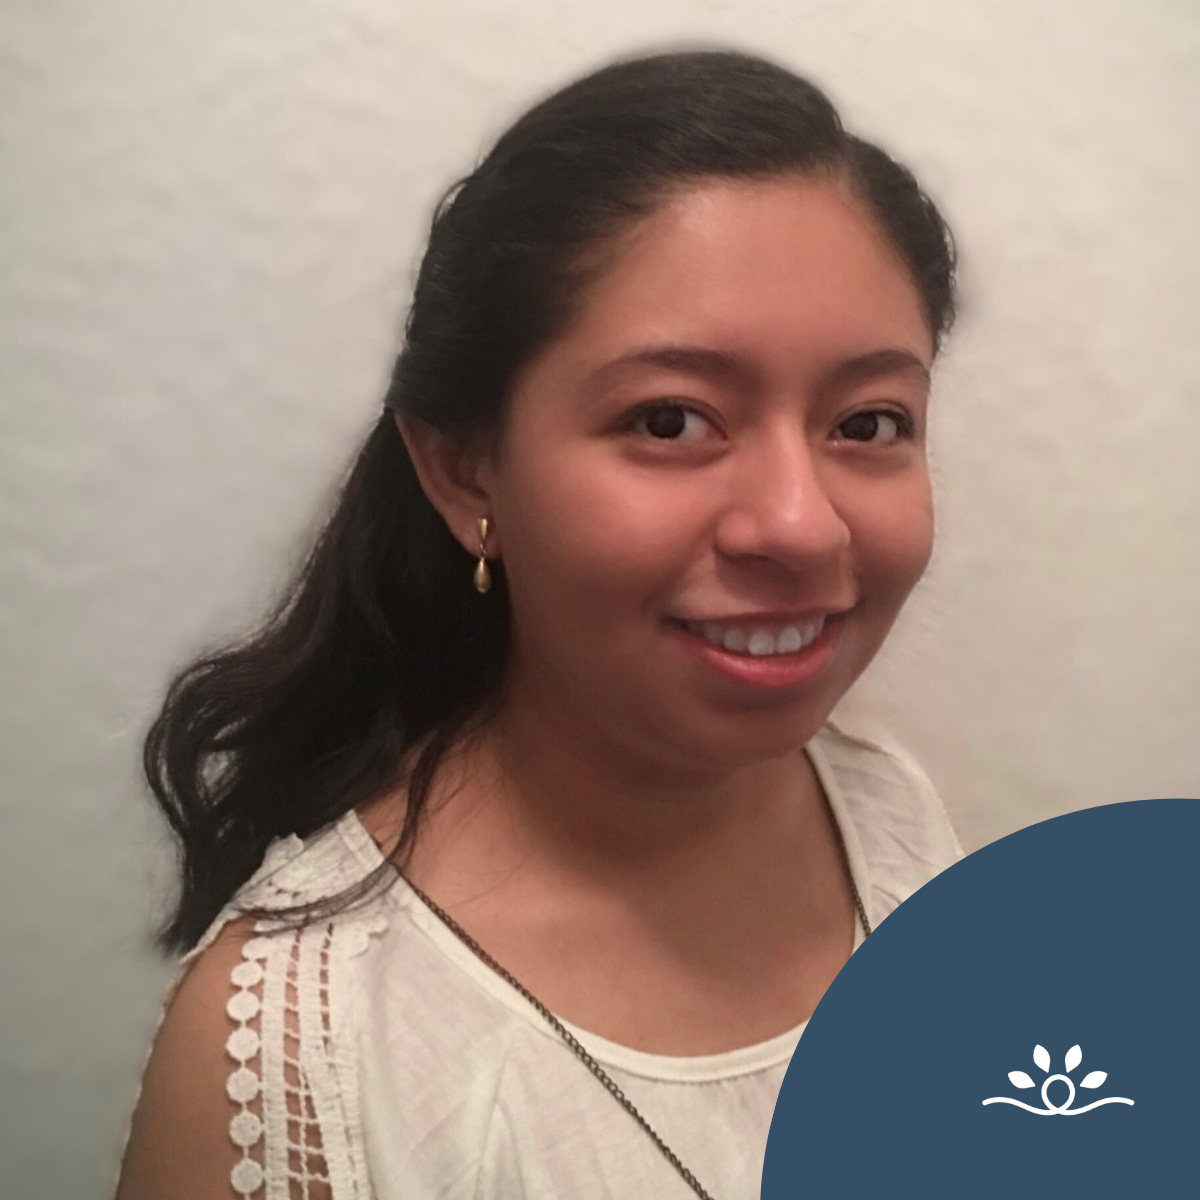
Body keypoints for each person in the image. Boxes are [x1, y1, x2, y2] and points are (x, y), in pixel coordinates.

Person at [114, 47, 963, 1200]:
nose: (801, 528)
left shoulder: (886, 815)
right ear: (465, 471)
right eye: (671, 419)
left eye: (867, 422)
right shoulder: (293, 1057)